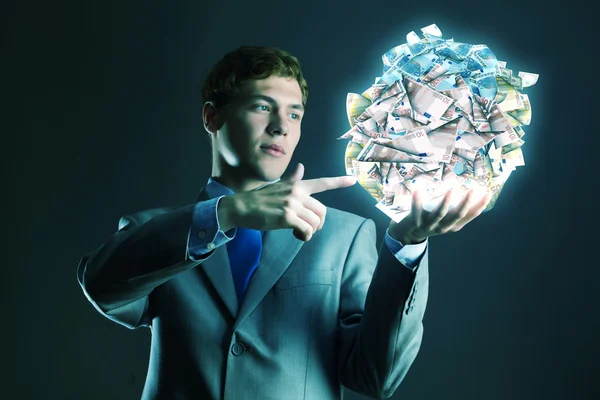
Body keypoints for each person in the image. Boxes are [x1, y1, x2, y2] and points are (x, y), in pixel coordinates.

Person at [77, 45, 492, 400]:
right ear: (212, 117)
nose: (280, 126)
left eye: (294, 114)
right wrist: (229, 212)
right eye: (262, 106)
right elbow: (104, 288)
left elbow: (374, 376)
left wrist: (408, 244)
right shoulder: (157, 232)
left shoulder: (346, 236)